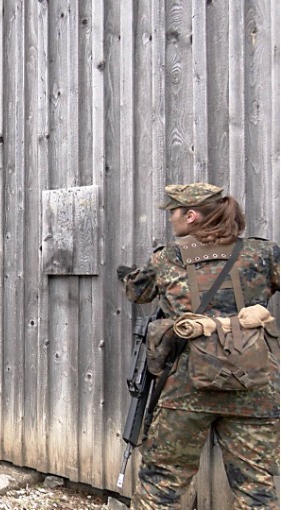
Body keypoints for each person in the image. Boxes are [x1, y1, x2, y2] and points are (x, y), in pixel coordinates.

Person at [118, 183, 279, 508]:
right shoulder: (264, 254)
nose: (171, 218)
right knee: (256, 492)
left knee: (161, 487)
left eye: (174, 212)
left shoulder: (167, 259)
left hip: (185, 393)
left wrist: (128, 276)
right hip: (252, 391)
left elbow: (138, 292)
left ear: (190, 216)